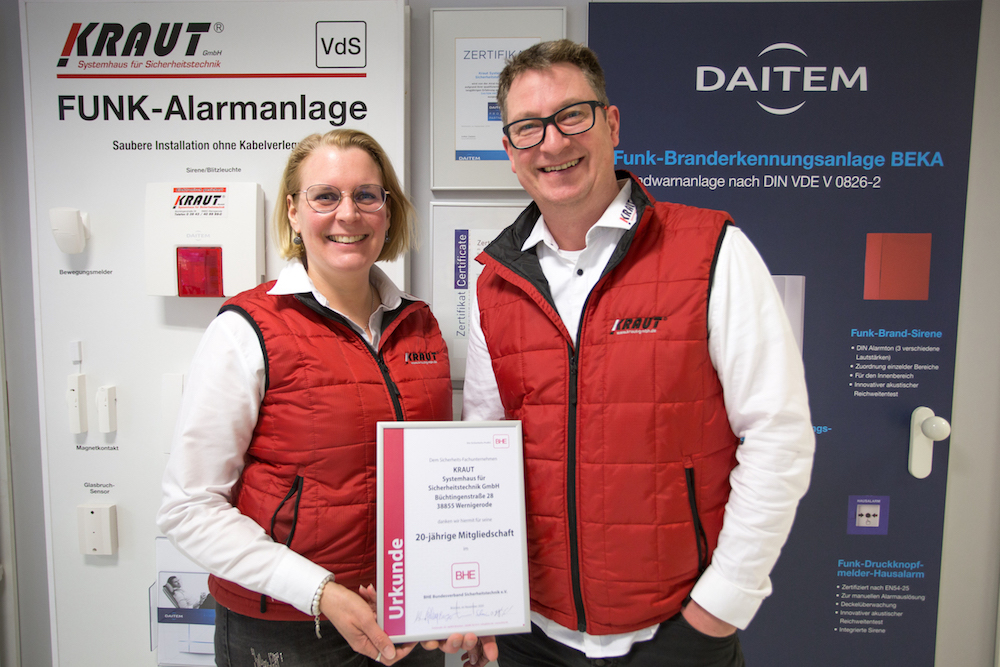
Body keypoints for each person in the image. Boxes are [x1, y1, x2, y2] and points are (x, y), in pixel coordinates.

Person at [454, 40, 815, 667]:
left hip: (672, 633)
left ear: (611, 123)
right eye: (528, 128)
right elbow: (485, 448)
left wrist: (719, 608)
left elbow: (778, 435)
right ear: (510, 152)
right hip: (528, 632)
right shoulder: (495, 283)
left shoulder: (712, 250)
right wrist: (476, 593)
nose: (552, 143)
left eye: (573, 115)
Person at [157, 129, 452, 667]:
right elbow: (189, 508)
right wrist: (319, 591)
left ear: (388, 212)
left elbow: (442, 483)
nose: (349, 213)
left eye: (367, 195)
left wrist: (459, 595)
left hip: (406, 616)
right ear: (294, 212)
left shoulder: (420, 324)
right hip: (289, 629)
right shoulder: (246, 328)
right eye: (326, 196)